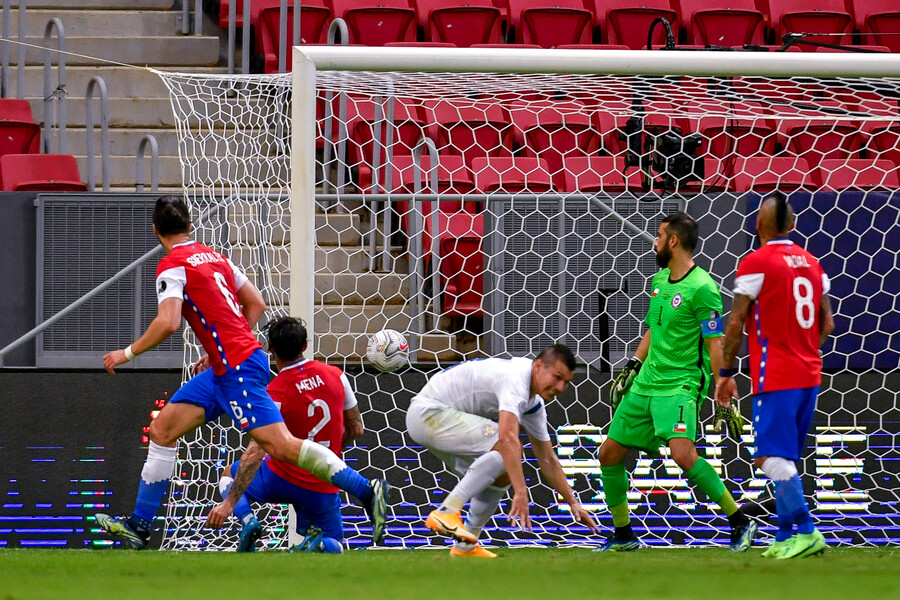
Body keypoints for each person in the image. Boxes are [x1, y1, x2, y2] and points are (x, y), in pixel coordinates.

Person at [94, 195, 387, 549]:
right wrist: (220, 348)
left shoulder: (172, 264)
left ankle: (365, 490)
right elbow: (257, 302)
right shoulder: (217, 258)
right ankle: (139, 527)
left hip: (238, 369)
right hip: (227, 366)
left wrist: (126, 353)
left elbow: (169, 322)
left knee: (280, 446)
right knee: (162, 429)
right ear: (190, 225)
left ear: (155, 230)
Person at [597, 211, 757, 552]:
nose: (654, 242)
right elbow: (653, 330)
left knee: (683, 454)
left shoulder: (703, 288)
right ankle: (624, 535)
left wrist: (721, 385)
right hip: (647, 382)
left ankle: (739, 520)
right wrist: (634, 364)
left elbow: (715, 342)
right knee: (609, 453)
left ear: (673, 241)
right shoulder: (658, 281)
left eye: (658, 236)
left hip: (680, 383)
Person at [716, 192, 834, 559]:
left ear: (758, 225)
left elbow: (735, 322)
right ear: (794, 225)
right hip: (810, 372)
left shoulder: (756, 261)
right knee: (786, 457)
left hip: (778, 375)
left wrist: (726, 371)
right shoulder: (814, 264)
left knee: (768, 457)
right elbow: (826, 323)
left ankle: (808, 531)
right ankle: (784, 535)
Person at [406, 344, 599, 558]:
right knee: (507, 448)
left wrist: (572, 502)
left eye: (567, 383)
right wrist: (521, 492)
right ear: (538, 366)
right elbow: (506, 439)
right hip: (428, 413)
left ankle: (465, 545)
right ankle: (447, 511)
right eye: (557, 377)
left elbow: (548, 458)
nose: (561, 387)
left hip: (439, 419)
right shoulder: (516, 378)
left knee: (505, 471)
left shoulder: (533, 403)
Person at [206, 316, 364, 553]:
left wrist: (228, 504)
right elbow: (357, 428)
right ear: (304, 346)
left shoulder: (275, 391)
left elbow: (256, 452)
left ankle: (248, 520)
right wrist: (328, 457)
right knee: (336, 546)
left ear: (271, 349)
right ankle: (320, 544)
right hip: (321, 482)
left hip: (280, 478)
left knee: (229, 473)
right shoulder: (337, 376)